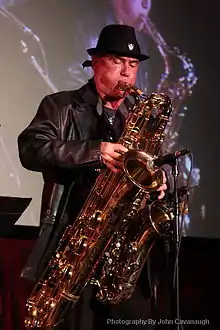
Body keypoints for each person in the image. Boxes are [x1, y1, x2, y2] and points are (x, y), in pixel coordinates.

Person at [18, 24, 169, 330]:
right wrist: (94, 151)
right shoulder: (61, 105)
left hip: (123, 256)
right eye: (116, 61)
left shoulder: (138, 116)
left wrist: (162, 178)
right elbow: (31, 148)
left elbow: (156, 163)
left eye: (133, 64)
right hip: (75, 246)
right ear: (95, 62)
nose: (126, 73)